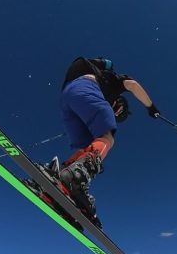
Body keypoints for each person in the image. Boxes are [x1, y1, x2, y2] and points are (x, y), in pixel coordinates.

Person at [58, 56, 159, 221]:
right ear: (119, 104)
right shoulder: (113, 81)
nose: (117, 115)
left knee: (88, 147)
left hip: (66, 96)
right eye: (119, 113)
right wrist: (151, 107)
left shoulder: (100, 85)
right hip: (85, 86)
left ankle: (60, 179)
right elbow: (132, 85)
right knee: (107, 137)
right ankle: (75, 179)